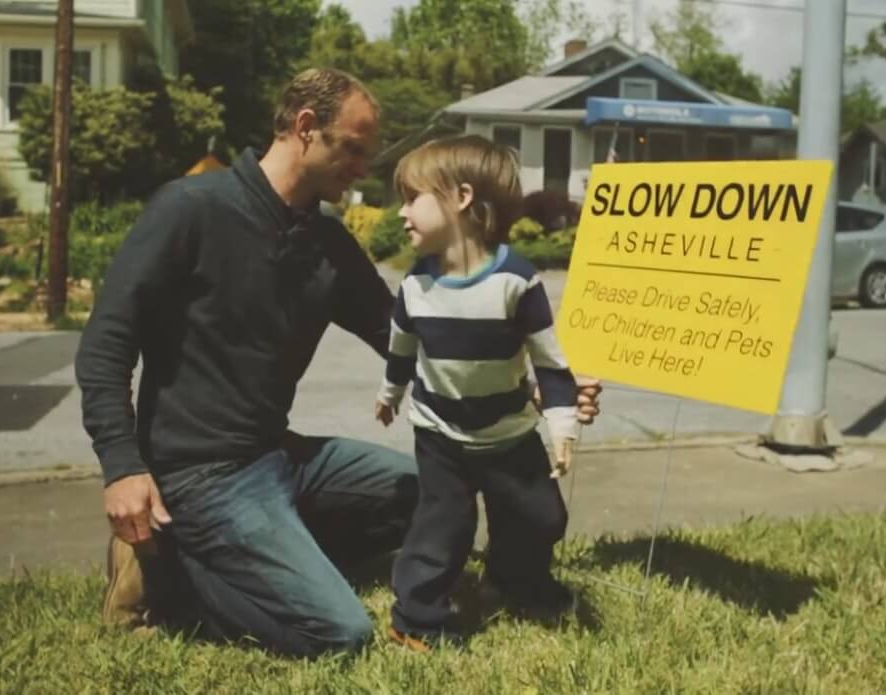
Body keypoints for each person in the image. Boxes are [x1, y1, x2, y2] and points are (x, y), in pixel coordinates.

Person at [75, 68, 603, 658]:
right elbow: (105, 345)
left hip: (279, 456)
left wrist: (535, 386)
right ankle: (171, 572)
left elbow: (409, 336)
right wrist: (123, 467)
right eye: (353, 150)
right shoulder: (190, 209)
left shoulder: (325, 241)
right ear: (306, 128)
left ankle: (268, 552)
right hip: (198, 472)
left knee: (428, 497)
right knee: (339, 632)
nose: (363, 169)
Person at [373, 136, 581, 651]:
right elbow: (401, 351)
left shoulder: (516, 282)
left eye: (412, 198)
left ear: (462, 198)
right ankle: (415, 619)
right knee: (443, 526)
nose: (402, 213)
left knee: (541, 516)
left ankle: (516, 582)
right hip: (440, 433)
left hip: (508, 433)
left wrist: (562, 424)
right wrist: (390, 393)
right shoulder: (414, 287)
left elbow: (550, 363)